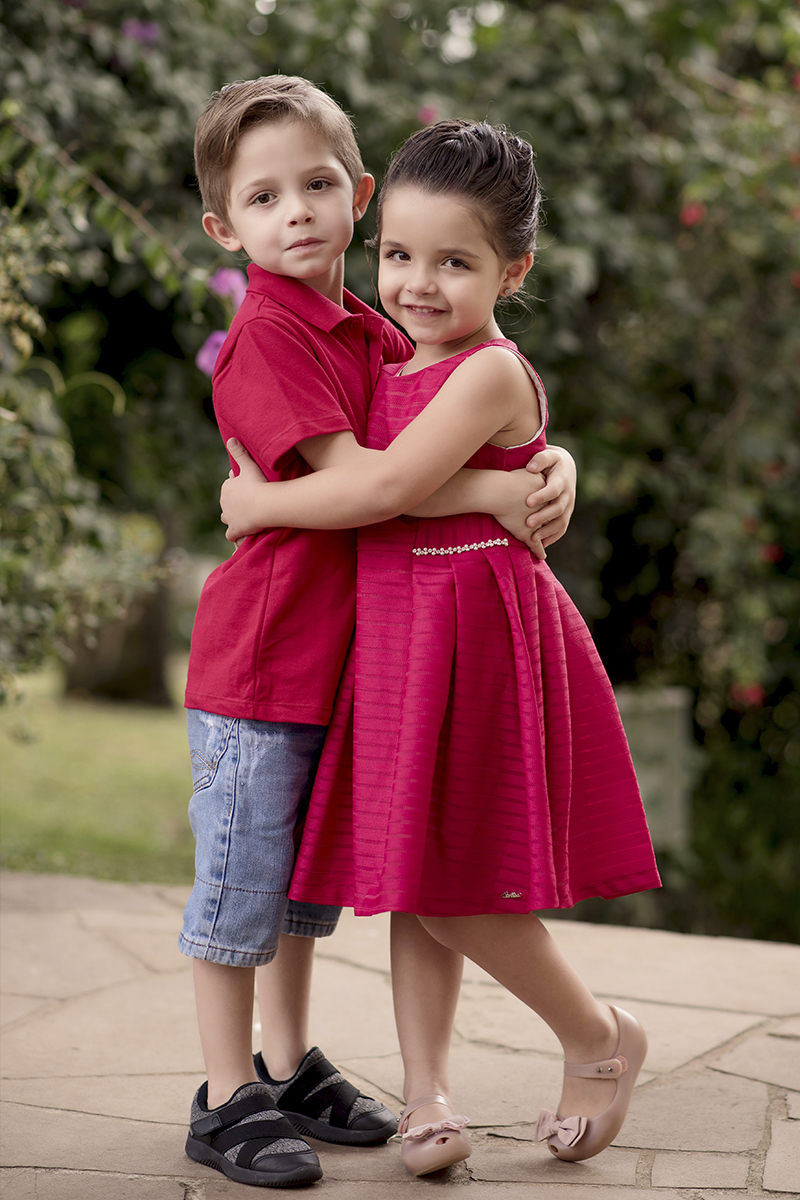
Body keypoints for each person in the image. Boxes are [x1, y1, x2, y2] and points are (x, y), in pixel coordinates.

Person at [219, 118, 662, 1175]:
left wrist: (259, 504)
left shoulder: (488, 371)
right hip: (400, 633)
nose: (417, 284)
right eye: (399, 255)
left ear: (514, 271)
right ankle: (427, 1096)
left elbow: (383, 486)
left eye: (454, 263)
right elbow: (384, 467)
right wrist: (527, 474)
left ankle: (598, 1037)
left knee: (451, 886)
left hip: (472, 632)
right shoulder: (388, 350)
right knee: (416, 875)